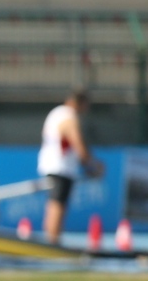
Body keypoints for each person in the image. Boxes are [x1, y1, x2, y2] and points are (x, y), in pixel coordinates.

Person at [38, 88, 101, 245]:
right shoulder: (69, 116)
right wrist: (92, 164)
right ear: (81, 103)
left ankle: (51, 239)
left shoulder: (57, 113)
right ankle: (52, 242)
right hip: (60, 167)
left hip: (54, 165)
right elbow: (77, 143)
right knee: (57, 204)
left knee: (55, 204)